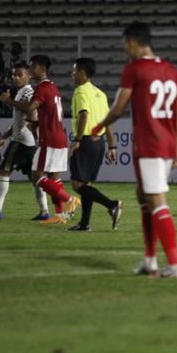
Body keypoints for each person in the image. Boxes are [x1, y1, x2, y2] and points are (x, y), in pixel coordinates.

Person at [92, 22, 177, 278]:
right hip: (165, 143)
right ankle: (150, 261)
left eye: (125, 45)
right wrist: (176, 148)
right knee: (144, 197)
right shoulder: (171, 70)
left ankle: (175, 266)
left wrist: (99, 126)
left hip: (149, 143)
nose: (125, 51)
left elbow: (119, 108)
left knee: (156, 201)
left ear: (133, 43)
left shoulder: (134, 69)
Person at [0, 54, 80, 225]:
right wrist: (36, 124)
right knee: (54, 179)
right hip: (60, 137)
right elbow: (47, 112)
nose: (30, 70)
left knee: (37, 177)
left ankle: (70, 200)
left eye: (32, 67)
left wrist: (9, 101)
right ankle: (60, 215)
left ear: (42, 69)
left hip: (49, 139)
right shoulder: (53, 87)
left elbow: (30, 107)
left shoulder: (42, 88)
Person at [0, 61, 50, 221]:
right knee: (35, 178)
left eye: (20, 75)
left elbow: (31, 112)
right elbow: (19, 120)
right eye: (13, 75)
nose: (15, 78)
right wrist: (4, 136)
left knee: (3, 171)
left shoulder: (28, 92)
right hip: (26, 141)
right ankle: (45, 212)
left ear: (28, 76)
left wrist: (8, 101)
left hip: (21, 140)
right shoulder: (21, 92)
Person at [66, 58, 123, 232]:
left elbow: (84, 115)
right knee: (86, 186)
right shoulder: (100, 94)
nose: (72, 74)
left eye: (75, 71)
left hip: (86, 142)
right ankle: (84, 224)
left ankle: (112, 205)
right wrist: (112, 147)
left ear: (83, 72)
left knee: (77, 185)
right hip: (99, 144)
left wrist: (77, 140)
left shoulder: (80, 91)